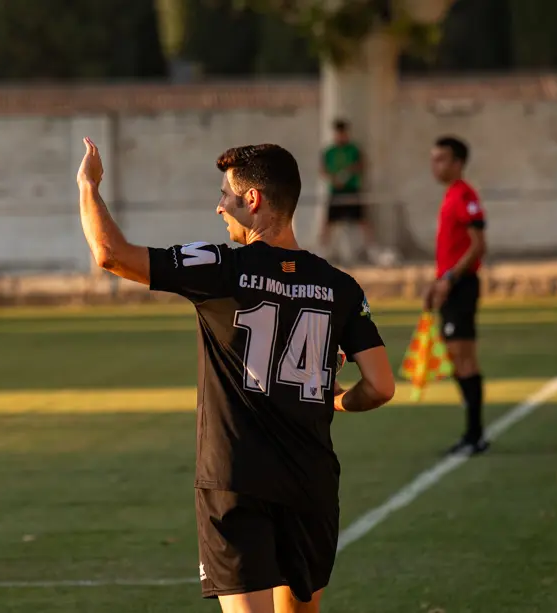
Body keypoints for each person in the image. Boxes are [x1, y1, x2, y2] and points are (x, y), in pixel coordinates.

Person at [76, 138, 395, 613]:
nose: (218, 205)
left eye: (226, 194)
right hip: (310, 480)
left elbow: (109, 253)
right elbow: (381, 386)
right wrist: (335, 400)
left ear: (253, 200)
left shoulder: (223, 267)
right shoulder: (340, 287)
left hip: (236, 479)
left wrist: (88, 187)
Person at [426, 136, 489, 455]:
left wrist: (449, 278)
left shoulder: (465, 195)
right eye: (433, 159)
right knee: (455, 357)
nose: (435, 165)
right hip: (450, 285)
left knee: (464, 357)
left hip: (462, 286)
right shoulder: (451, 195)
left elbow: (478, 245)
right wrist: (437, 281)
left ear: (457, 163)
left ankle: (475, 434)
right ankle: (473, 433)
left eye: (441, 159)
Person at [318, 119, 375, 261]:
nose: (341, 136)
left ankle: (371, 249)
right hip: (336, 190)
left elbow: (362, 165)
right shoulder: (329, 151)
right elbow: (323, 169)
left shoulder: (354, 149)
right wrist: (334, 179)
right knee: (328, 221)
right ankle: (323, 250)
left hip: (352, 189)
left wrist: (349, 173)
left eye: (343, 133)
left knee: (363, 219)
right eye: (338, 133)